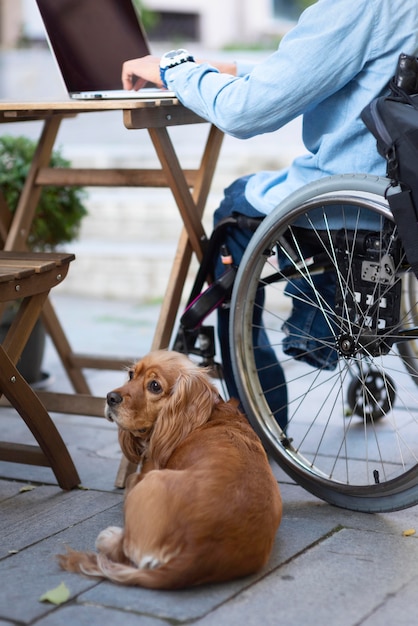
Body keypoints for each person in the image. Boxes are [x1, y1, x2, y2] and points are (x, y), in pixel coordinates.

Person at [122, 0, 418, 429]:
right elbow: (313, 66)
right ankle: (319, 316)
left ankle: (257, 423)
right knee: (260, 194)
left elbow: (245, 112)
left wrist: (174, 66)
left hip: (348, 204)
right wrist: (220, 69)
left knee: (235, 208)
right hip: (403, 198)